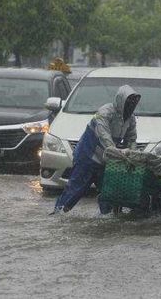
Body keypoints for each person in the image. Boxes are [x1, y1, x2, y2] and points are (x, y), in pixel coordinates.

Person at [51, 85, 141, 214]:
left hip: (105, 161)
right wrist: (116, 151)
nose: (131, 107)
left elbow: (132, 138)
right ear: (121, 100)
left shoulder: (130, 119)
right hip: (86, 157)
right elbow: (104, 136)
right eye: (129, 103)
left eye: (134, 104)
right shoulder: (105, 112)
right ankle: (58, 214)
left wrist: (132, 154)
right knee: (75, 190)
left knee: (108, 193)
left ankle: (108, 220)